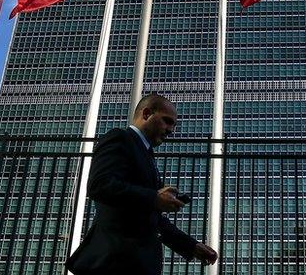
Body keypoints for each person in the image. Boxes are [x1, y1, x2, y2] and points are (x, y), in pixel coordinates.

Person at [66, 93, 218, 275]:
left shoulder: (146, 154)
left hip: (134, 262)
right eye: (167, 121)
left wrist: (191, 246)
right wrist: (153, 197)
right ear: (146, 114)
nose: (171, 130)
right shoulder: (120, 138)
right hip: (115, 260)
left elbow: (152, 218)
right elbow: (100, 185)